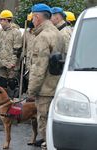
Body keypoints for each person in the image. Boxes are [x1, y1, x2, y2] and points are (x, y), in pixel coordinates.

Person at [28, 3, 65, 149]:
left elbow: (39, 67)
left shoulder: (43, 37)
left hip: (44, 88)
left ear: (37, 17)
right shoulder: (58, 33)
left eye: (32, 17)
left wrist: (31, 90)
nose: (31, 21)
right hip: (56, 85)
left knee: (44, 124)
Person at [0, 10, 22, 98]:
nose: (0, 22)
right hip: (1, 62)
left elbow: (17, 49)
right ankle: (3, 100)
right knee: (2, 82)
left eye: (1, 20)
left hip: (11, 63)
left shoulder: (16, 32)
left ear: (7, 20)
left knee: (12, 82)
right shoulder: (0, 31)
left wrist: (13, 62)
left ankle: (11, 100)